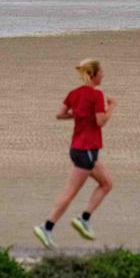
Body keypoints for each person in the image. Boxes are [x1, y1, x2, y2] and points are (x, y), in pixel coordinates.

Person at [33, 58, 116, 248]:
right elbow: (101, 121)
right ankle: (47, 227)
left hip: (80, 150)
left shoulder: (74, 93)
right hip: (85, 151)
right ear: (93, 75)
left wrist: (78, 115)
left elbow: (60, 114)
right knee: (69, 193)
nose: (103, 75)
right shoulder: (96, 95)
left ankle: (84, 218)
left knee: (107, 183)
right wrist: (111, 107)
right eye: (101, 72)